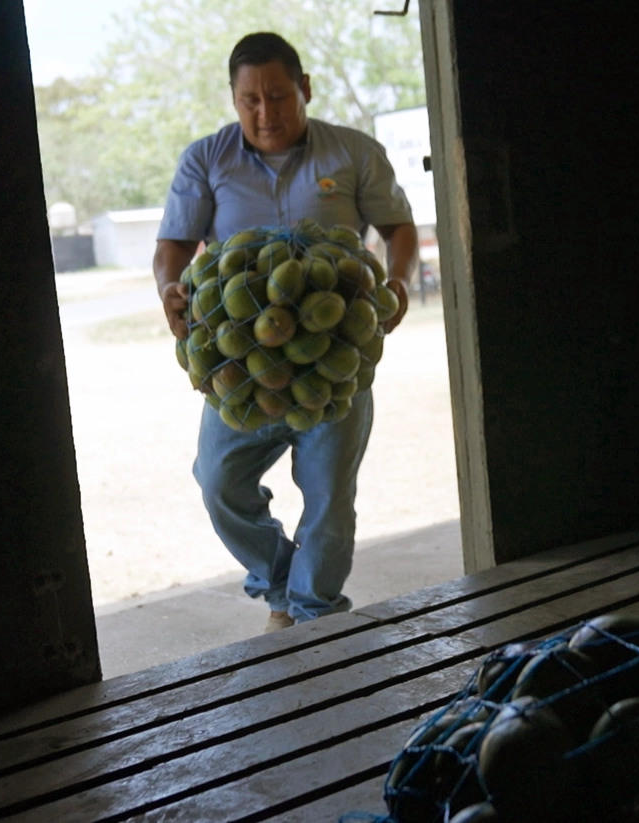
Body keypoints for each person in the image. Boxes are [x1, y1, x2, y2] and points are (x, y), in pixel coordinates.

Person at [154, 32, 417, 634]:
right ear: (234, 98)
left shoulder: (353, 153)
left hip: (332, 363)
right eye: (250, 100)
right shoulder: (206, 159)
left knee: (328, 497)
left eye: (277, 95)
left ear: (305, 88)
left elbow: (399, 229)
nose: (264, 113)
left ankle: (312, 613)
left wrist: (397, 283)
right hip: (242, 366)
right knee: (219, 482)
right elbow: (171, 248)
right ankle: (278, 582)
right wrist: (170, 290)